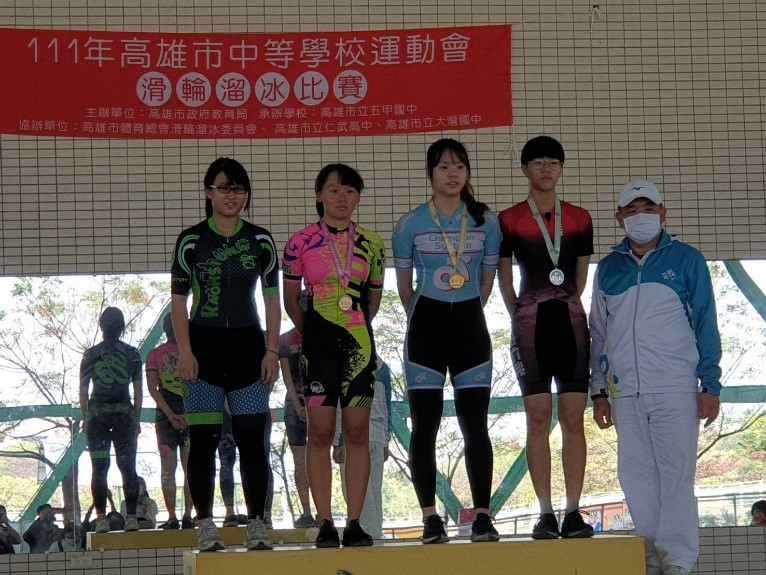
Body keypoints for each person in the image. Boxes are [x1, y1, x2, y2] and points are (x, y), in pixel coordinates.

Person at [590, 179, 722, 575]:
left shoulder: (687, 259)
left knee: (676, 476)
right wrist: (599, 391)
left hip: (675, 388)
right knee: (635, 477)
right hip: (624, 392)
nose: (640, 216)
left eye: (648, 208)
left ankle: (678, 560)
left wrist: (710, 384)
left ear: (663, 213)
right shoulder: (608, 269)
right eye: (631, 210)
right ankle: (649, 556)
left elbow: (706, 323)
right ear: (619, 217)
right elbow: (598, 333)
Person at [392, 138, 502, 543]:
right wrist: (428, 316)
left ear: (468, 172)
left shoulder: (487, 222)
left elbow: (487, 281)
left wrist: (466, 309)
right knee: (425, 425)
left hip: (471, 326)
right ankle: (430, 518)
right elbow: (405, 288)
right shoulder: (409, 224)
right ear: (429, 174)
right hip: (426, 329)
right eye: (443, 167)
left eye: (459, 166)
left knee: (476, 425)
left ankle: (483, 516)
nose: (452, 174)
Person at [171, 157, 280, 552]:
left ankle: (256, 524)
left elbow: (272, 299)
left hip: (250, 349)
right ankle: (205, 525)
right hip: (203, 351)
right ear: (208, 192)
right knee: (203, 441)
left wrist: (272, 350)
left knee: (252, 442)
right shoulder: (191, 240)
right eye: (223, 188)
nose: (231, 195)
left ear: (246, 194)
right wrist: (185, 352)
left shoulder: (261, 240)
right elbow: (178, 302)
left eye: (238, 188)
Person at [283, 163, 385, 548]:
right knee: (321, 432)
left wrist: (351, 326)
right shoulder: (300, 242)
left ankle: (355, 522)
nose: (342, 198)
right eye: (334, 190)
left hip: (358, 343)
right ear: (319, 195)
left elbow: (372, 302)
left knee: (357, 432)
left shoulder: (372, 244)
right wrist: (314, 333)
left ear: (358, 197)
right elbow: (291, 301)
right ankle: (325, 521)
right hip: (317, 346)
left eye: (350, 191)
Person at [497, 136, 594, 539]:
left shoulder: (581, 218)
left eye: (553, 162)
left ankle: (572, 511)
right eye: (537, 162)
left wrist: (564, 302)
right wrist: (520, 312)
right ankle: (545, 513)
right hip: (530, 327)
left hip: (571, 325)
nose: (546, 168)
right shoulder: (508, 219)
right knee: (537, 419)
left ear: (562, 169)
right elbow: (504, 276)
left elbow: (580, 278)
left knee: (573, 419)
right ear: (524, 169)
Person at [79, 307, 143, 534]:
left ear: (101, 325)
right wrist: (136, 419)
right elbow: (138, 391)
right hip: (124, 415)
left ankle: (101, 518)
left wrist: (86, 417)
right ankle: (132, 517)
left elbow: (83, 391)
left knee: (99, 467)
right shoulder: (132, 354)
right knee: (128, 466)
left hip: (97, 415)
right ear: (122, 326)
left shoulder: (90, 354)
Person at [333, 356, 393, 540]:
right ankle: (377, 535)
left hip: (353, 435)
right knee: (374, 489)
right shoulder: (383, 368)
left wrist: (337, 440)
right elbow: (387, 406)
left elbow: (340, 406)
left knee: (356, 490)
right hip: (377, 435)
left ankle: (369, 533)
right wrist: (386, 441)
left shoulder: (345, 362)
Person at [146, 313, 194, 530]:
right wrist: (180, 414)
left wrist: (170, 415)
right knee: (184, 466)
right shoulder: (191, 353)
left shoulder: (155, 354)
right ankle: (182, 515)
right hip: (183, 413)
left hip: (167, 416)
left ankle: (179, 516)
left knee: (173, 467)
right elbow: (153, 388)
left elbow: (152, 389)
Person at [279, 291, 317, 529]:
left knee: (315, 459)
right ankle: (307, 511)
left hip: (314, 403)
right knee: (300, 461)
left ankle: (320, 510)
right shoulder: (285, 340)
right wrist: (299, 404)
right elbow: (287, 379)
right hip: (299, 405)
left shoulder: (320, 336)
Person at [219, 405, 275, 529]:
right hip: (233, 410)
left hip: (255, 408)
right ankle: (231, 513)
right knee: (227, 462)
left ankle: (265, 514)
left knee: (261, 460)